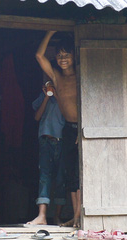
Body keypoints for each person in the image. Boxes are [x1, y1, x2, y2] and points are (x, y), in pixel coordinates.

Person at [36, 31, 81, 228]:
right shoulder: (56, 77)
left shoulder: (81, 74)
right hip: (68, 131)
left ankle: (80, 216)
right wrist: (49, 32)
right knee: (71, 174)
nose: (62, 59)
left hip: (83, 128)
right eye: (59, 55)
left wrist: (83, 130)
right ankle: (75, 217)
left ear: (74, 57)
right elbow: (39, 56)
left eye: (66, 55)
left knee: (81, 174)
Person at [27, 80, 66, 225]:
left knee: (61, 178)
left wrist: (58, 96)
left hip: (61, 140)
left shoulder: (65, 95)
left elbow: (68, 115)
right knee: (44, 176)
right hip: (45, 140)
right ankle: (42, 215)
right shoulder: (42, 96)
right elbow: (37, 117)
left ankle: (57, 216)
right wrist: (47, 97)